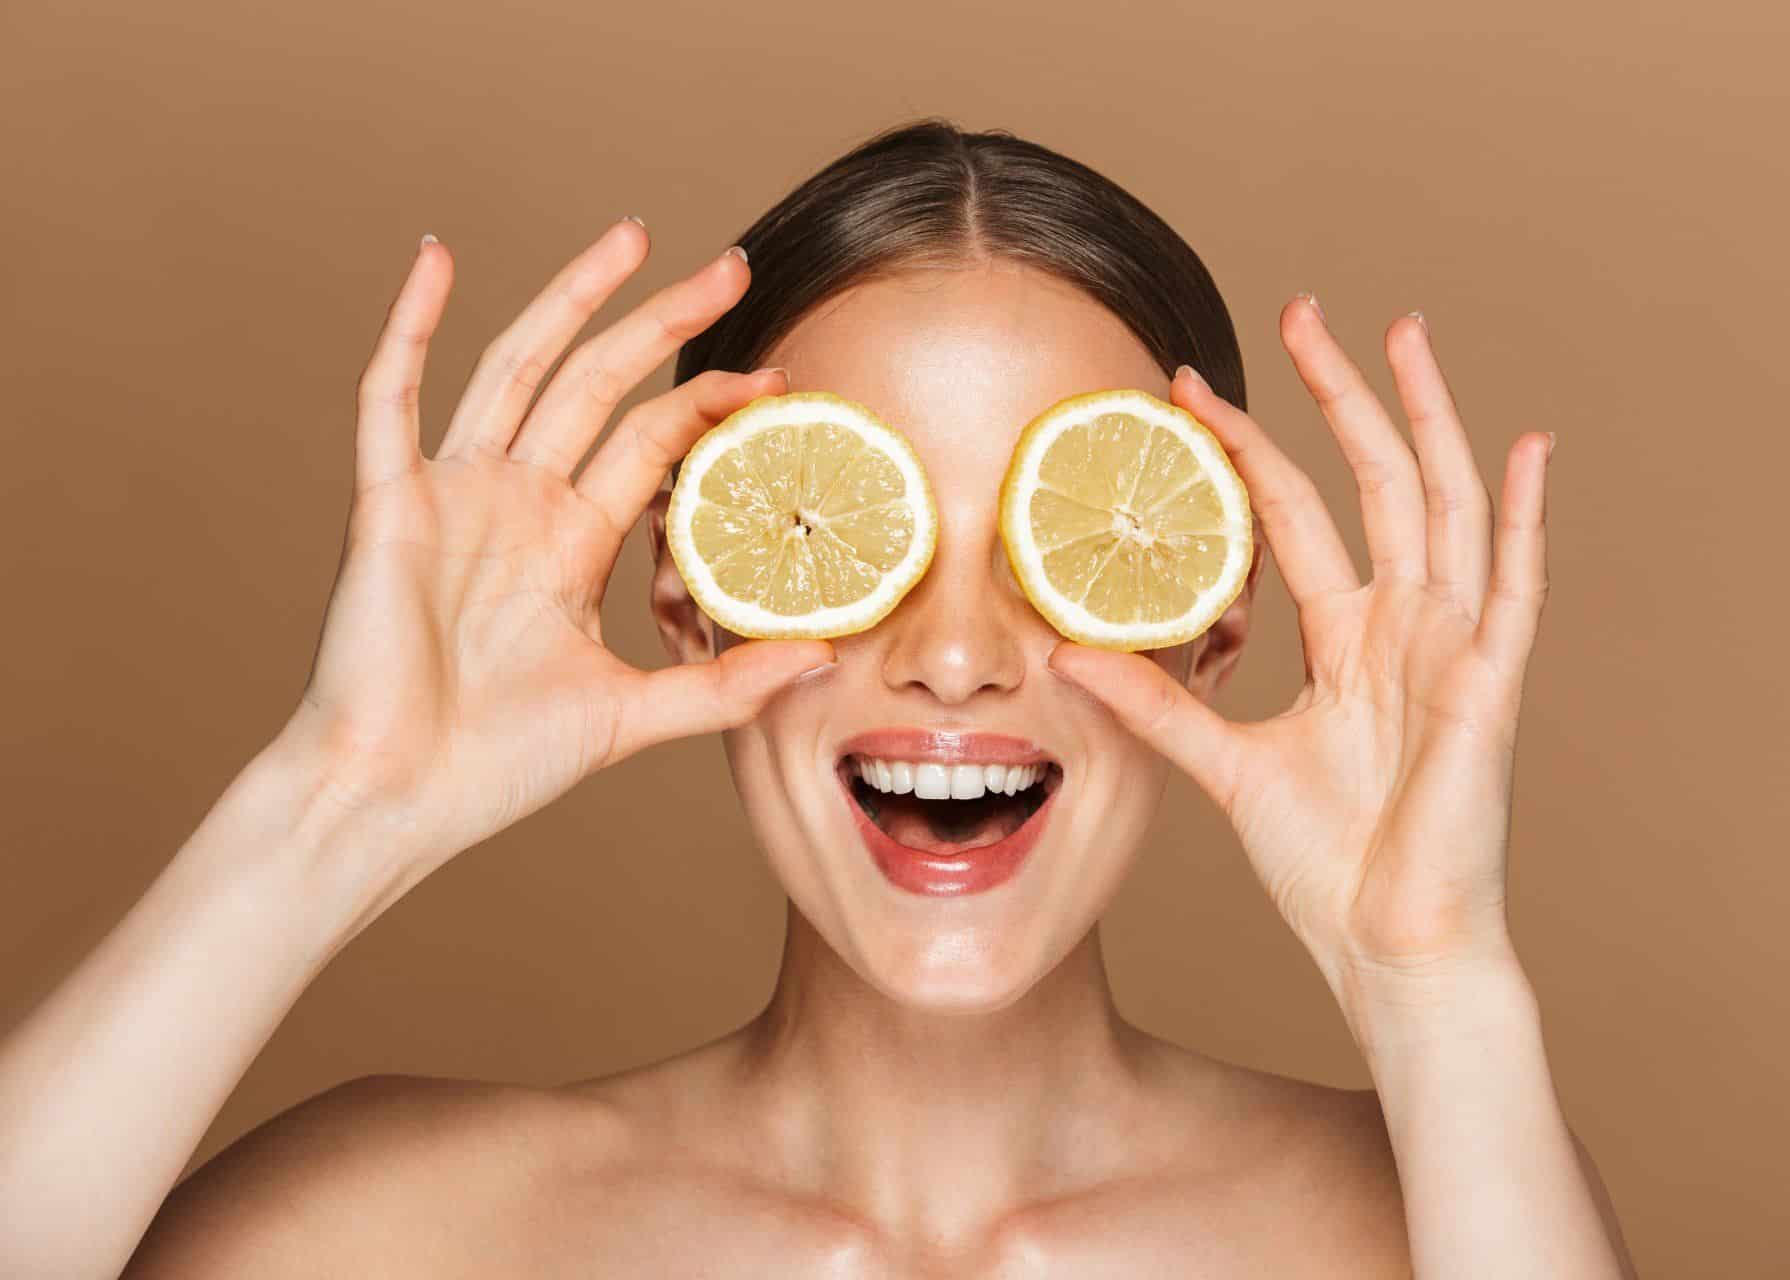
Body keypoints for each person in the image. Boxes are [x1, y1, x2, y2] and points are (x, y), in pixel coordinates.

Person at [1, 118, 1637, 1277]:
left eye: (1059, 552)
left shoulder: (1431, 1222)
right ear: (691, 608)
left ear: (1207, 632)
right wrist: (331, 806)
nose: (956, 652)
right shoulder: (400, 1232)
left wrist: (1437, 984)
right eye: (849, 543)